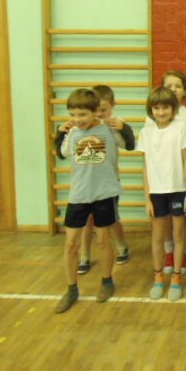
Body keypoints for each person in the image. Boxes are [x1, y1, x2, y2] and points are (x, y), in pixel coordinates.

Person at [54, 89, 123, 313]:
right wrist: (60, 133)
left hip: (104, 193)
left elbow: (130, 143)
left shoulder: (109, 130)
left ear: (95, 112)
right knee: (70, 243)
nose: (77, 119)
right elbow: (62, 153)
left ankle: (107, 281)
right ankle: (71, 289)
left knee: (103, 240)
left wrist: (123, 127)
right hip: (79, 195)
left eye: (82, 114)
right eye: (73, 114)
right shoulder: (72, 133)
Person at [138, 87, 186, 302]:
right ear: (151, 110)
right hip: (156, 192)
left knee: (179, 235)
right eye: (157, 108)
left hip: (178, 190)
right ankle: (159, 277)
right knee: (158, 236)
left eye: (166, 108)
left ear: (174, 108)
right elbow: (145, 167)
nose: (161, 112)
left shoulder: (180, 128)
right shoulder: (146, 132)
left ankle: (176, 278)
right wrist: (147, 198)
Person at [152, 70, 186, 275]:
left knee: (183, 217)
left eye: (178, 86)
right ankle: (169, 251)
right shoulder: (152, 119)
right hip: (160, 179)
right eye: (169, 86)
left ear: (185, 91)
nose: (173, 89)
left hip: (181, 177)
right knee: (163, 219)